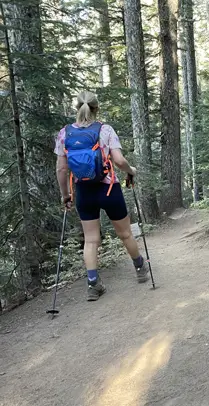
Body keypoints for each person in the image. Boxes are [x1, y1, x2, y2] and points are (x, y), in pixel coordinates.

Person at [55, 91, 149, 301]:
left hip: (84, 192)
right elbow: (119, 160)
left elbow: (61, 170)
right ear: (97, 108)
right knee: (125, 234)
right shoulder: (105, 130)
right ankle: (140, 268)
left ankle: (93, 284)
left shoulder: (64, 133)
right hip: (109, 190)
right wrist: (131, 171)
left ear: (76, 108)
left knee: (90, 240)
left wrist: (66, 195)